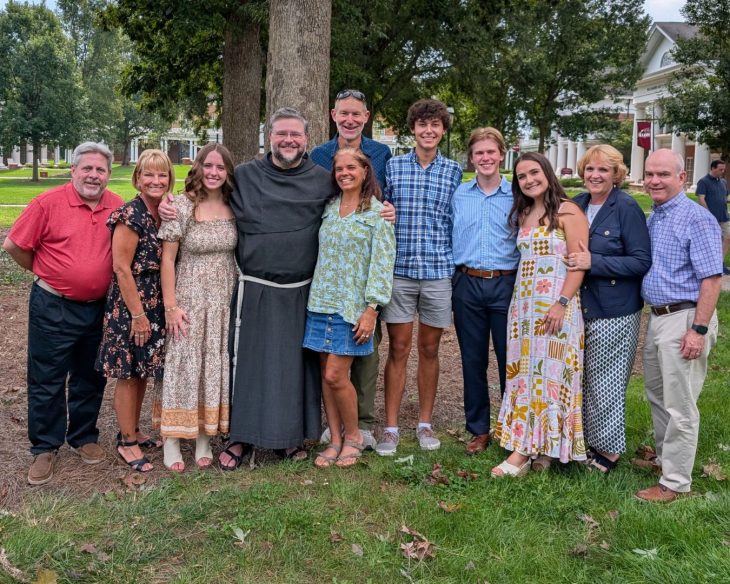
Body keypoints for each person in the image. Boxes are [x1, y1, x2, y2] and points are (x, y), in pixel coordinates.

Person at [2, 142, 122, 485]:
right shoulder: (48, 203)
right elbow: (14, 245)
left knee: (91, 374)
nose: (93, 175)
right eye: (87, 168)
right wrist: (46, 272)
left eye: (100, 170)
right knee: (47, 376)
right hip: (52, 304)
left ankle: (83, 437)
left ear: (108, 175)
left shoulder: (117, 205)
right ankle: (45, 446)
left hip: (98, 308)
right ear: (73, 170)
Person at [492, 152, 589, 477]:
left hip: (556, 306)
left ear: (547, 173)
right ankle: (541, 450)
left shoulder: (568, 210)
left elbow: (579, 263)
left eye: (534, 172)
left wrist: (561, 303)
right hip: (523, 308)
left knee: (550, 376)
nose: (529, 180)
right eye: (522, 176)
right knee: (527, 376)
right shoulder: (525, 213)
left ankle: (522, 453)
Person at [376, 98, 462, 456]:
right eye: (422, 125)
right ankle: (392, 427)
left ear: (442, 131)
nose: (429, 131)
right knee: (397, 348)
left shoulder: (454, 171)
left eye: (435, 125)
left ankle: (425, 423)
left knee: (429, 349)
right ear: (413, 129)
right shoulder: (393, 168)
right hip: (400, 272)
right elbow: (380, 209)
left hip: (438, 272)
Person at [636, 149, 722, 503]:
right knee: (658, 395)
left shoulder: (696, 218)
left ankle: (675, 482)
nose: (655, 181)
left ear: (681, 178)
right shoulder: (655, 216)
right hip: (658, 317)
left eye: (663, 175)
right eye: (650, 174)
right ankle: (664, 460)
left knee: (681, 405)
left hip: (685, 317)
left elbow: (712, 279)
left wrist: (697, 330)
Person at [310, 89, 393, 449]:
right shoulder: (318, 157)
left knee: (363, 355)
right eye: (343, 113)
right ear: (333, 115)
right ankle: (335, 432)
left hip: (360, 285)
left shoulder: (381, 154)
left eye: (356, 114)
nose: (349, 119)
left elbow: (387, 199)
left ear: (366, 116)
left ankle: (362, 425)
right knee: (330, 369)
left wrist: (386, 212)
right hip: (325, 293)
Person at [568, 145, 651, 473]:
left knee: (607, 382)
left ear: (617, 174)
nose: (595, 175)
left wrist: (594, 262)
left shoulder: (626, 208)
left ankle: (609, 452)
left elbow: (641, 261)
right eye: (590, 169)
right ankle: (587, 440)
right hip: (582, 307)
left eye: (603, 170)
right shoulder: (578, 204)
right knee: (584, 378)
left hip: (615, 309)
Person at [155, 144, 238, 472]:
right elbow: (167, 259)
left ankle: (204, 433)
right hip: (189, 297)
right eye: (209, 166)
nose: (214, 173)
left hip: (223, 298)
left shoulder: (234, 204)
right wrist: (170, 306)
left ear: (228, 171)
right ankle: (172, 437)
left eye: (221, 167)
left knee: (213, 363)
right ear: (199, 168)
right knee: (184, 364)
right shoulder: (181, 206)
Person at [95, 149, 174, 473]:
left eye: (162, 175)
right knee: (127, 374)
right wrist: (138, 316)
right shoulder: (130, 215)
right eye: (149, 175)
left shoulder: (164, 213)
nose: (156, 181)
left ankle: (136, 430)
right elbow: (121, 268)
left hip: (154, 302)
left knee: (142, 369)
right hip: (132, 306)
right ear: (137, 179)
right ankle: (127, 441)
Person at [451, 127, 519, 456]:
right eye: (479, 153)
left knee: (510, 360)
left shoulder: (517, 194)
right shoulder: (459, 194)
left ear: (501, 155)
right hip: (467, 282)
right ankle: (478, 429)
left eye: (491, 152)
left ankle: (512, 429)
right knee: (472, 360)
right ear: (472, 157)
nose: (486, 158)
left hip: (507, 283)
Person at [696, 159, 730, 275]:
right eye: (720, 169)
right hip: (711, 218)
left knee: (727, 238)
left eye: (723, 169)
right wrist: (708, 215)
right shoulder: (703, 181)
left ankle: (720, 264)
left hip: (724, 217)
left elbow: (725, 198)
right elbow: (701, 198)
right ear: (713, 168)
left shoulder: (723, 182)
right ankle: (710, 267)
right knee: (712, 243)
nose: (723, 171)